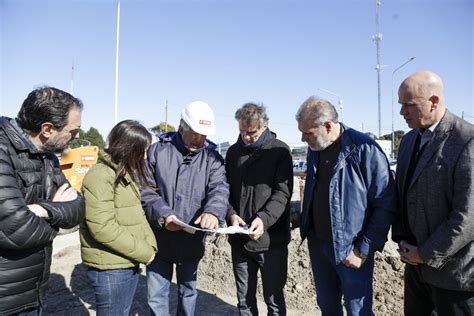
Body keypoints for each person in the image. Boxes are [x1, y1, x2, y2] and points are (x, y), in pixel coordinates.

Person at [295, 96, 396, 315]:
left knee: (357, 309)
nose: (303, 139)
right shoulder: (316, 148)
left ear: (328, 126)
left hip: (351, 248)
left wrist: (363, 249)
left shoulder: (363, 149)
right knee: (327, 304)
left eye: (308, 133)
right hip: (319, 244)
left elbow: (385, 203)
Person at [393, 71, 474, 315]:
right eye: (401, 105)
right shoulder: (408, 142)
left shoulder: (466, 140)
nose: (402, 112)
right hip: (416, 269)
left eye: (409, 105)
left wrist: (425, 254)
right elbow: (402, 195)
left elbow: (467, 216)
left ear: (434, 101)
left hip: (454, 275)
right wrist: (403, 242)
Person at [0, 86, 85, 315]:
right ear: (47, 129)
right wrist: (56, 209)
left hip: (33, 292)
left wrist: (41, 209)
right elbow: (14, 229)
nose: (77, 137)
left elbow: (77, 208)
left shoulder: (48, 158)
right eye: (72, 130)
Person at [141, 101, 229, 315]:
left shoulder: (213, 159)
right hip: (159, 239)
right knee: (156, 295)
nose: (199, 140)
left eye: (203, 135)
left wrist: (213, 212)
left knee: (188, 291)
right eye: (195, 134)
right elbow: (145, 190)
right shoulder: (157, 152)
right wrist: (165, 215)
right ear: (182, 128)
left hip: (191, 241)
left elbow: (219, 189)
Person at [80, 120, 158, 315]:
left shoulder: (120, 172)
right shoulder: (100, 176)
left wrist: (149, 245)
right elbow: (103, 228)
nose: (146, 156)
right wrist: (143, 251)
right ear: (129, 148)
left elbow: (134, 216)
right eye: (143, 151)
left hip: (123, 260)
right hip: (110, 268)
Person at [225, 103, 294, 315]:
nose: (246, 137)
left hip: (271, 242)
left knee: (273, 301)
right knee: (244, 301)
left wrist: (263, 219)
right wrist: (231, 214)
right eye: (242, 132)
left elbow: (282, 193)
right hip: (240, 241)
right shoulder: (233, 153)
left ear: (265, 126)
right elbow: (223, 190)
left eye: (251, 133)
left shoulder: (279, 151)